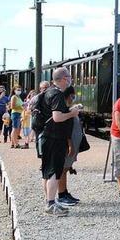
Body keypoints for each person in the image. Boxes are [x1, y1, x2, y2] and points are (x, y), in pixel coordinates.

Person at [39, 67, 79, 216]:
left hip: (47, 136)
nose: (70, 79)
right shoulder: (57, 94)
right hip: (55, 138)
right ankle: (50, 204)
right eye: (69, 77)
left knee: (47, 171)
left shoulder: (48, 91)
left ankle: (49, 201)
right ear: (63, 79)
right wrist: (72, 113)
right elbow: (57, 117)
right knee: (55, 173)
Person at [56, 86, 82, 207]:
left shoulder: (68, 109)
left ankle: (65, 192)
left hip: (72, 145)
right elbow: (66, 131)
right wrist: (70, 145)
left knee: (66, 168)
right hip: (68, 145)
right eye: (72, 96)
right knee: (63, 169)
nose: (73, 98)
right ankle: (61, 195)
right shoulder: (65, 111)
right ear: (68, 96)